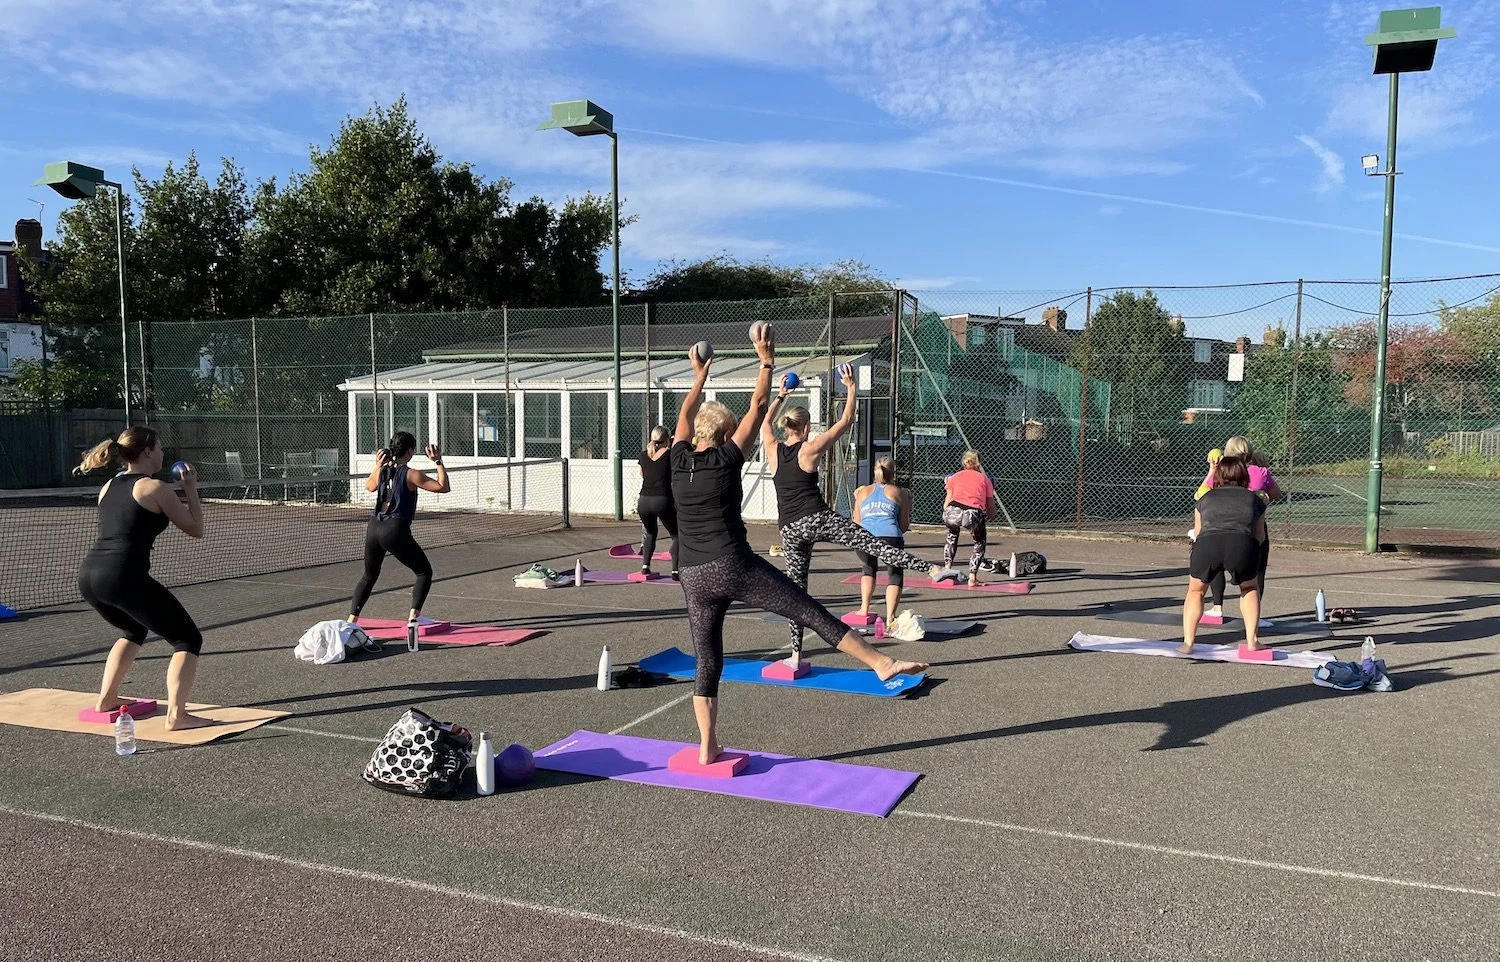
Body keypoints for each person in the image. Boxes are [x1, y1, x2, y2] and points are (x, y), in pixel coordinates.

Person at [673, 324, 928, 765]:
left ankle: (707, 746)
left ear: (697, 433)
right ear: (728, 434)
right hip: (732, 564)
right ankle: (881, 664)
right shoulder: (729, 457)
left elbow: (686, 412)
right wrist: (766, 361)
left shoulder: (677, 458)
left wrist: (700, 376)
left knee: (707, 658)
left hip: (693, 575)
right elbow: (757, 407)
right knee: (808, 610)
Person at [764, 366, 958, 656]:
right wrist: (851, 387)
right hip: (816, 519)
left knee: (797, 590)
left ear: (786, 426)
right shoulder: (809, 448)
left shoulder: (772, 448)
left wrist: (780, 395)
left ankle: (795, 655)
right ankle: (933, 569)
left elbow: (764, 421)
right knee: (874, 545)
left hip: (789, 529)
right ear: (805, 428)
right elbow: (845, 421)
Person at [76, 426, 212, 730]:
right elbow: (195, 529)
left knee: (133, 629)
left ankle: (106, 700)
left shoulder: (109, 485)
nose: (163, 453)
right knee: (187, 639)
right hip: (123, 576)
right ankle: (177, 716)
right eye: (159, 447)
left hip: (90, 576)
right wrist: (190, 488)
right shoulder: (155, 488)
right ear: (148, 452)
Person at [347, 432, 450, 635]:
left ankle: (351, 621)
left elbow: (369, 486)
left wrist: (378, 464)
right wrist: (438, 461)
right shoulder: (412, 474)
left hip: (374, 527)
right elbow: (443, 487)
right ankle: (414, 618)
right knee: (424, 572)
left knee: (369, 575)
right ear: (410, 451)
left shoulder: (383, 470)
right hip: (394, 529)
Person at [1181, 455, 1268, 654]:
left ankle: (1188, 643)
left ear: (1219, 476)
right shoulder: (1255, 500)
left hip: (1208, 544)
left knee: (1196, 591)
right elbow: (1260, 536)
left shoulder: (1205, 498)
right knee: (1249, 588)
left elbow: (1198, 532)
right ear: (1244, 476)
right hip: (1241, 544)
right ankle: (1252, 641)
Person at [1197, 435, 1280, 618]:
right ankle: (1254, 616)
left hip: (1220, 524)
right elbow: (1275, 493)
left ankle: (1217, 607)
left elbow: (1201, 495)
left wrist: (1212, 470)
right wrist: (1262, 496)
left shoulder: (1222, 471)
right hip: (1251, 525)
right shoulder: (1260, 472)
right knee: (1257, 572)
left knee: (1215, 565)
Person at [852, 456, 913, 624]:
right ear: (893, 472)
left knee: (868, 568)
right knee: (895, 573)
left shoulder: (862, 492)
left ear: (874, 471)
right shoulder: (899, 493)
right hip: (890, 535)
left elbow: (856, 522)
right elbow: (904, 525)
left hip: (865, 536)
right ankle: (890, 617)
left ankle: (864, 608)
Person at [943, 450, 1000, 584]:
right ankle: (972, 577)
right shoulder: (985, 479)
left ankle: (947, 569)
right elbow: (991, 509)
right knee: (979, 541)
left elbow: (947, 503)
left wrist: (949, 517)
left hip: (952, 510)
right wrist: (991, 515)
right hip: (972, 513)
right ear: (979, 463)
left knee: (952, 535)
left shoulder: (954, 477)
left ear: (963, 462)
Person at [636, 425, 678, 579]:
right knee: (677, 535)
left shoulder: (643, 455)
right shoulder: (670, 455)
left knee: (650, 532)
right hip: (662, 499)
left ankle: (645, 566)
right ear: (667, 440)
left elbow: (642, 474)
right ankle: (675, 570)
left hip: (644, 500)